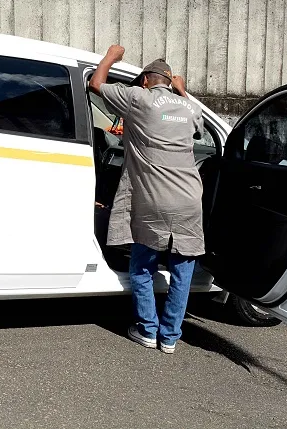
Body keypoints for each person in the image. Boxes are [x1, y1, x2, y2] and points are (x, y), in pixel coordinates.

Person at [88, 45, 205, 354]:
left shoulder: (140, 99)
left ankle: (147, 329)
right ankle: (169, 338)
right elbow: (196, 127)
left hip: (154, 200)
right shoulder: (190, 107)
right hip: (190, 201)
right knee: (182, 271)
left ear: (144, 81)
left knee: (142, 266)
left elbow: (95, 84)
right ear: (170, 82)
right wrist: (183, 92)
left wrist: (111, 57)